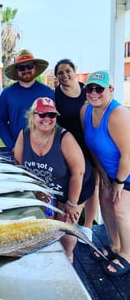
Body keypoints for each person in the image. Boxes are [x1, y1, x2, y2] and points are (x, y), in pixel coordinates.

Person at [14, 97, 95, 263]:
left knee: (66, 226)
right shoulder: (24, 135)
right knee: (48, 225)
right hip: (50, 186)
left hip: (75, 186)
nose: (47, 119)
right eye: (42, 114)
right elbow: (19, 166)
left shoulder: (64, 138)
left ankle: (68, 258)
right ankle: (51, 261)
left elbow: (78, 173)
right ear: (32, 116)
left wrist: (72, 203)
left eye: (52, 114)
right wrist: (36, 190)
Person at [80, 70, 130, 276]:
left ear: (110, 90)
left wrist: (118, 181)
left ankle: (127, 254)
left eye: (99, 88)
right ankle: (115, 245)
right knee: (105, 202)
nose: (93, 92)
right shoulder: (85, 111)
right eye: (89, 88)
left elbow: (128, 155)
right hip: (109, 170)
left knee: (120, 208)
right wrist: (102, 173)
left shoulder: (118, 114)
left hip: (126, 171)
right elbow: (91, 145)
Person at [54, 58, 99, 243]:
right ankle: (67, 224)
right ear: (56, 77)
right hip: (69, 147)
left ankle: (88, 227)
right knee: (71, 184)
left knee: (94, 185)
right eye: (60, 73)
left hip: (90, 143)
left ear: (75, 71)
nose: (64, 75)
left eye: (67, 71)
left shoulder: (88, 91)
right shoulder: (55, 94)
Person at [0, 49, 54, 151]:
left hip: (45, 149)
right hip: (17, 148)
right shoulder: (7, 93)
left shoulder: (48, 92)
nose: (26, 70)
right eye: (21, 67)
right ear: (16, 71)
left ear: (35, 67)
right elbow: (0, 121)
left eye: (30, 66)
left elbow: (55, 121)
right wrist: (12, 146)